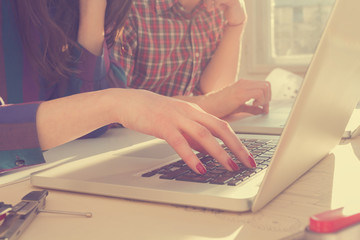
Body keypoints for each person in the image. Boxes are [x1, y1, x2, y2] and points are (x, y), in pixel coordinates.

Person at [0, 0, 256, 176]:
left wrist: (93, 9)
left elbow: (89, 125)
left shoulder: (102, 9)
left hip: (46, 175)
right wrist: (116, 103)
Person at [110, 0, 271, 118]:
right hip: (131, 138)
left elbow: (214, 89)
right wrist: (209, 104)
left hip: (183, 129)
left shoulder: (215, 8)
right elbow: (116, 104)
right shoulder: (130, 8)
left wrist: (236, 24)